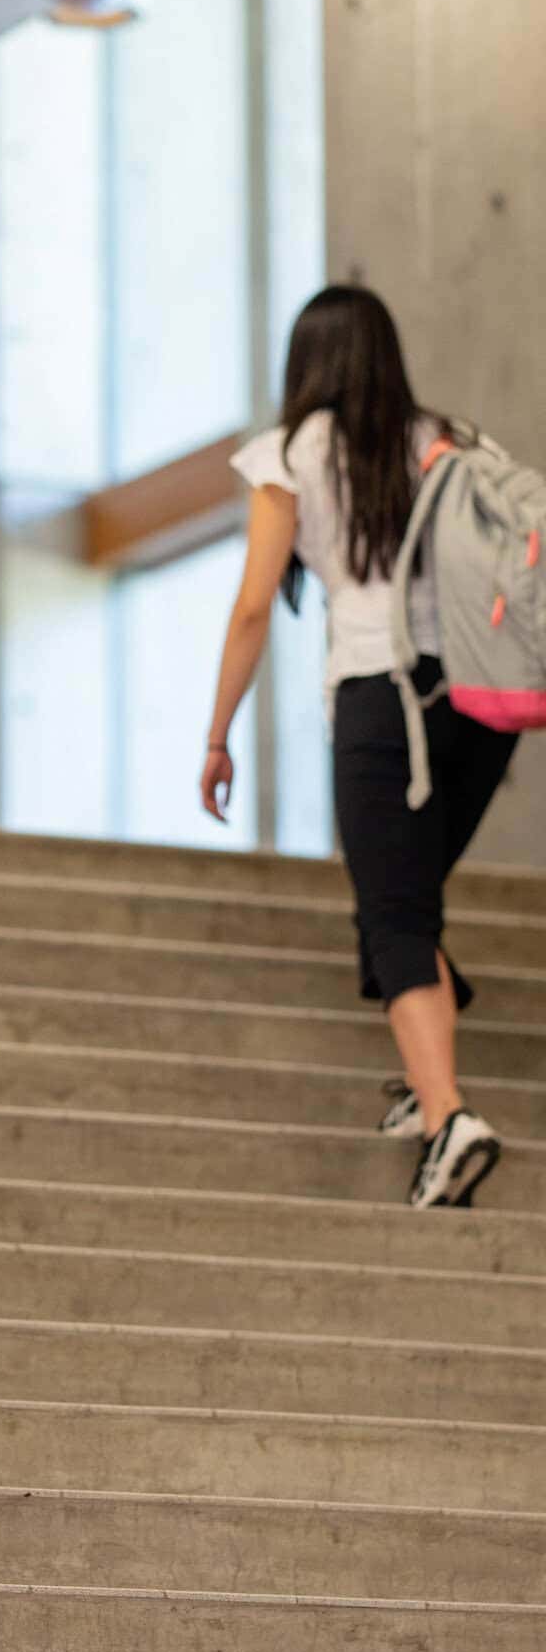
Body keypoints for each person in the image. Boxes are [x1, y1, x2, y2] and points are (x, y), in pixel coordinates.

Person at [203, 284, 515, 1209]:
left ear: (309, 362)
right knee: (395, 893)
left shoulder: (294, 451)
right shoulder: (453, 438)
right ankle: (424, 1076)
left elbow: (257, 603)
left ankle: (449, 1117)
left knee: (394, 913)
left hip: (386, 699)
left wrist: (218, 734)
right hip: (482, 703)